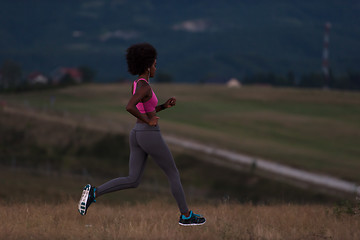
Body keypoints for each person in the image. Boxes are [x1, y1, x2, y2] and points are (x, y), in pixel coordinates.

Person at [78, 43, 206, 226]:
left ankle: (93, 193)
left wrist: (163, 107)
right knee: (173, 173)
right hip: (148, 134)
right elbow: (130, 106)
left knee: (133, 180)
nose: (155, 67)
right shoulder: (144, 87)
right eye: (154, 64)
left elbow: (146, 109)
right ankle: (186, 216)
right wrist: (149, 122)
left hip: (137, 133)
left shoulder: (137, 84)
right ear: (147, 65)